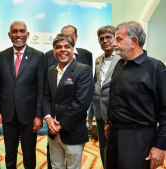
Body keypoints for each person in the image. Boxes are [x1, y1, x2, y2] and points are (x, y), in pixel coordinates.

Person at [105, 21, 166, 169]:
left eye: (119, 39)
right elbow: (114, 97)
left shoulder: (155, 68)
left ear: (134, 41)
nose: (114, 44)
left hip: (138, 138)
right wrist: (108, 122)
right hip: (113, 135)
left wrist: (160, 147)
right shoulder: (119, 65)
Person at [0, 21, 45, 169]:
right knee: (9, 152)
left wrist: (39, 115)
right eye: (14, 32)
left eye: (22, 31)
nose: (18, 35)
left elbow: (41, 88)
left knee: (29, 153)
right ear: (9, 35)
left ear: (27, 34)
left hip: (29, 115)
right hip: (7, 113)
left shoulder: (38, 56)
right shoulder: (1, 56)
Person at [44, 25, 93, 169]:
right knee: (55, 166)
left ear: (73, 50)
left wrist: (61, 124)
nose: (63, 50)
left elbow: (82, 102)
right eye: (58, 47)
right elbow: (46, 96)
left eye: (67, 46)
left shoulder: (83, 70)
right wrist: (48, 118)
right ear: (54, 52)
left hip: (73, 132)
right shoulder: (51, 71)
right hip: (53, 131)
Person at [87, 25, 120, 167]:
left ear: (115, 39)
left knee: (116, 150)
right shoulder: (98, 59)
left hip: (116, 113)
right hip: (99, 112)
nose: (105, 41)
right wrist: (90, 113)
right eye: (101, 39)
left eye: (108, 37)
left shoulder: (122, 57)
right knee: (103, 149)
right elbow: (96, 86)